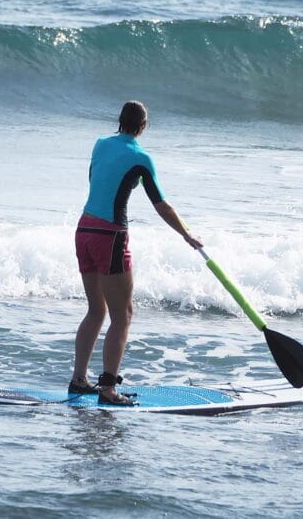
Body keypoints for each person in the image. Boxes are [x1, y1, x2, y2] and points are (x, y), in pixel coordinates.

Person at [71, 101, 202, 405]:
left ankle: (79, 380)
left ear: (119, 120)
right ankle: (107, 389)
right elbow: (161, 205)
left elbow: (96, 180)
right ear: (143, 127)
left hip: (84, 230)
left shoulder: (100, 144)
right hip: (110, 236)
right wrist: (186, 234)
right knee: (123, 315)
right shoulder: (142, 158)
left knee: (96, 309)